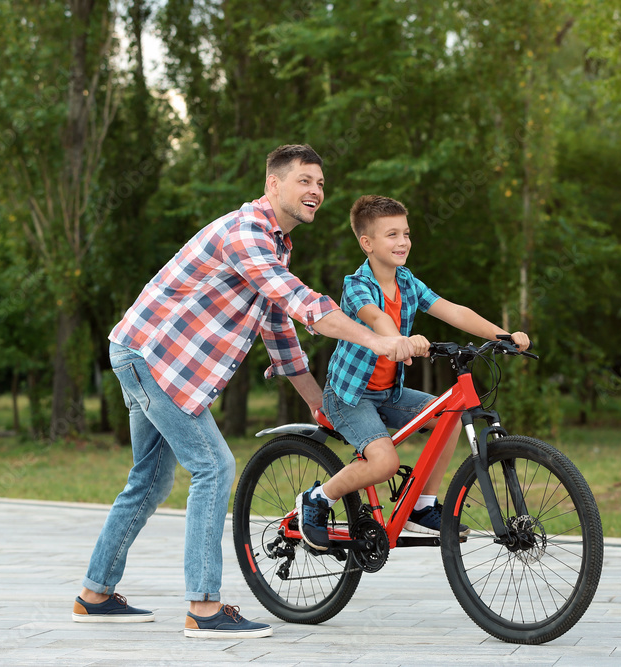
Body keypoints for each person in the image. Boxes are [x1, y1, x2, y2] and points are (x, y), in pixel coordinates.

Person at [72, 145, 416, 638]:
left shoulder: (275, 243)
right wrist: (379, 339)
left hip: (146, 354)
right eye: (303, 181)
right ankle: (204, 608)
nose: (315, 191)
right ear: (273, 185)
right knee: (214, 465)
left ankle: (95, 594)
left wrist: (314, 398)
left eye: (320, 183)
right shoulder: (247, 233)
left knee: (149, 480)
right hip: (152, 358)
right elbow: (301, 301)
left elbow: (277, 322)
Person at [296, 195, 529, 550]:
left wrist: (503, 335)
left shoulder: (407, 282)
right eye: (391, 234)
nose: (403, 241)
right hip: (349, 396)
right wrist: (399, 341)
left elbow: (453, 311)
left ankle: (422, 506)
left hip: (388, 393)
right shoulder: (356, 284)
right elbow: (376, 318)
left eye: (406, 233)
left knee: (449, 414)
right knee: (386, 461)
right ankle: (317, 498)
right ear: (367, 243)